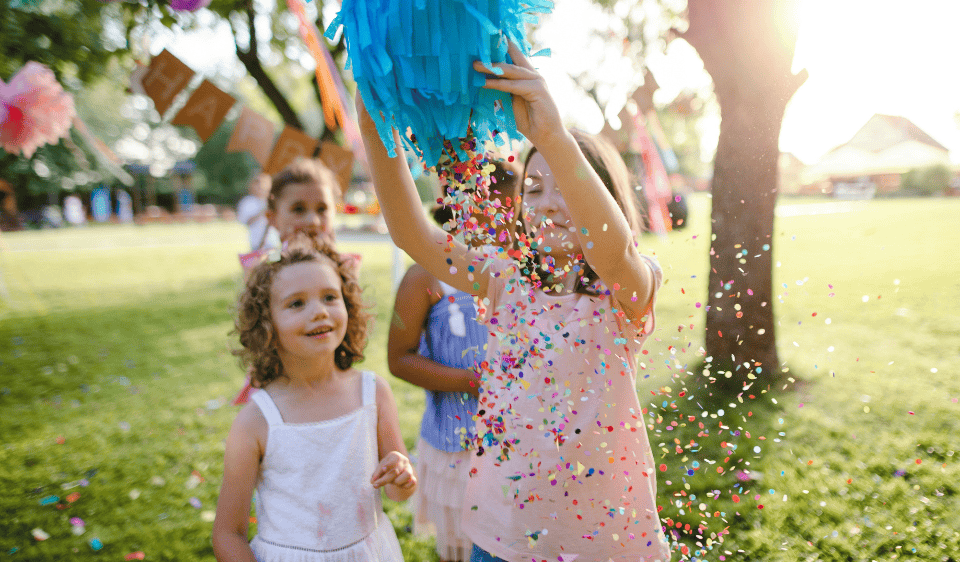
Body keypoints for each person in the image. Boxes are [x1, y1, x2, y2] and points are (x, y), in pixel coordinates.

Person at [358, 41, 671, 562]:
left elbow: (612, 251)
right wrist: (375, 122)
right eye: (535, 187)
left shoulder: (627, 292)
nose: (549, 203)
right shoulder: (504, 281)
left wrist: (550, 133)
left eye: (566, 188)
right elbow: (413, 233)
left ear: (606, 199)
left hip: (604, 540)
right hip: (504, 536)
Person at [212, 236, 416, 562]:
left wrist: (402, 475)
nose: (320, 311)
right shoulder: (257, 421)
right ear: (267, 325)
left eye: (329, 297)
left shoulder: (373, 393)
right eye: (296, 303)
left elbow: (397, 491)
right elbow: (227, 533)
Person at [388, 160, 520, 562]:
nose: (500, 216)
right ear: (455, 204)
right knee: (464, 550)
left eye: (509, 206)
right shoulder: (424, 277)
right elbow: (399, 358)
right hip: (456, 444)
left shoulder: (523, 270)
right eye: (485, 201)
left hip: (519, 442)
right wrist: (473, 380)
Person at [234, 157, 344, 404]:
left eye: (322, 209)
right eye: (298, 209)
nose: (312, 221)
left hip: (331, 379)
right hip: (282, 381)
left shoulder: (343, 266)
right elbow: (256, 333)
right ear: (272, 217)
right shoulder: (264, 267)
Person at [236, 173, 273, 252]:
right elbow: (247, 222)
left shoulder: (271, 200)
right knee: (262, 264)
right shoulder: (247, 202)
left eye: (264, 183)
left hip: (273, 243)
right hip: (257, 244)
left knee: (276, 262)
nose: (261, 186)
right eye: (257, 183)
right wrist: (263, 211)